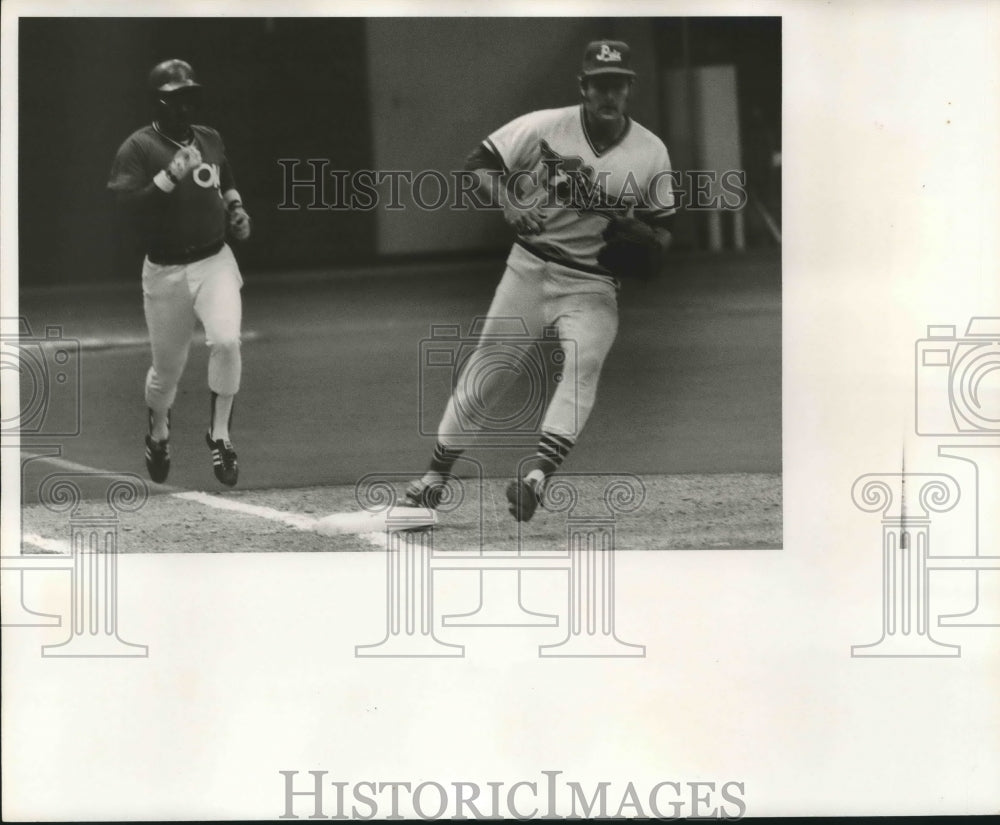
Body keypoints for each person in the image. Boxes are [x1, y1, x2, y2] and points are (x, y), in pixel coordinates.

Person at [406, 39, 676, 522]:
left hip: (593, 283)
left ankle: (536, 476)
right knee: (489, 372)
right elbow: (481, 163)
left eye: (618, 85)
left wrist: (646, 239)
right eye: (600, 85)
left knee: (583, 365)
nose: (609, 94)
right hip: (529, 269)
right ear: (583, 87)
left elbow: (664, 230)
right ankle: (434, 478)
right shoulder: (544, 126)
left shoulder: (650, 151)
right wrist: (509, 203)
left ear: (629, 88)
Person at [108, 59, 251, 487]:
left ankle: (220, 435)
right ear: (158, 101)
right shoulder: (138, 147)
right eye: (175, 99)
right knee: (165, 372)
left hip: (214, 259)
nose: (185, 107)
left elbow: (224, 176)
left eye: (190, 97)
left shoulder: (208, 138)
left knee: (226, 340)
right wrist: (170, 175)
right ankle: (158, 431)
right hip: (165, 270)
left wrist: (236, 208)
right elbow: (127, 207)